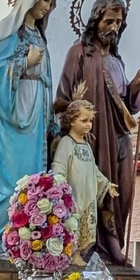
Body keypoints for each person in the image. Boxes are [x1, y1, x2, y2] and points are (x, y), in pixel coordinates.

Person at [54, 0, 140, 267]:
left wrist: (135, 84)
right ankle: (93, 248)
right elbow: (62, 99)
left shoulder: (117, 61)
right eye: (109, 21)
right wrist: (76, 123)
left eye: (119, 23)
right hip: (93, 139)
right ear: (95, 20)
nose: (114, 28)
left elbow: (125, 105)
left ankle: (113, 246)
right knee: (92, 189)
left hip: (119, 134)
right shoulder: (80, 54)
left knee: (123, 188)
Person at [0, 0, 58, 258]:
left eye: (51, 2)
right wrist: (25, 63)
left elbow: (47, 80)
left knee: (32, 176)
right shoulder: (8, 30)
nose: (47, 7)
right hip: (11, 116)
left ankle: (27, 236)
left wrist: (52, 121)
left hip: (36, 116)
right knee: (10, 178)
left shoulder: (40, 37)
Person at [50, 92, 116, 262]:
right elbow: (59, 167)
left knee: (88, 226)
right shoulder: (66, 143)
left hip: (88, 196)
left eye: (90, 121)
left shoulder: (86, 145)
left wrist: (106, 184)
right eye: (84, 120)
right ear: (72, 121)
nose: (89, 125)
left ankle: (79, 253)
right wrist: (60, 189)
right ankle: (72, 253)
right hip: (74, 197)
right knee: (73, 224)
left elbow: (93, 170)